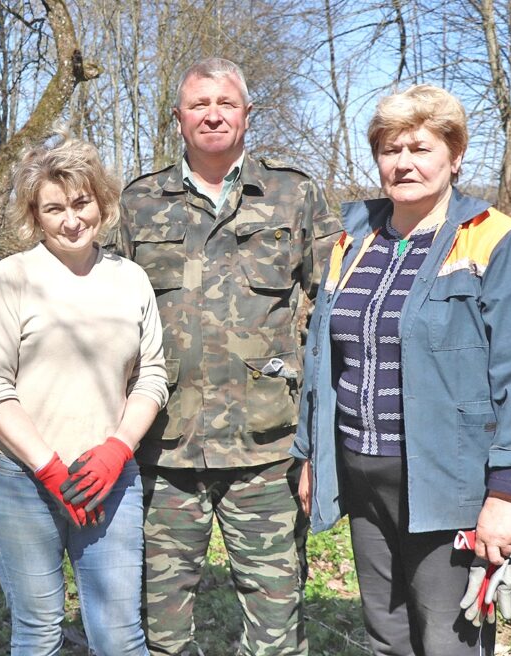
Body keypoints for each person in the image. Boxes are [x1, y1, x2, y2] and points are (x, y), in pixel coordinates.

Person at [292, 84, 511, 655]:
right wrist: (312, 453)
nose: (403, 163)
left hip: (448, 485)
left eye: (420, 148)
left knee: (448, 641)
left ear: (455, 156)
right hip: (364, 476)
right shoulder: (353, 241)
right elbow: (322, 357)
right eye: (391, 150)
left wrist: (506, 496)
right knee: (385, 636)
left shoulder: (495, 242)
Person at [112, 57, 342, 655]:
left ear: (247, 113)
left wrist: (321, 434)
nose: (212, 116)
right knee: (160, 624)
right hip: (163, 446)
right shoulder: (140, 202)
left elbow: (334, 309)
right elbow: (105, 314)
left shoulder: (293, 194)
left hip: (266, 447)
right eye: (199, 105)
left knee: (275, 619)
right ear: (178, 117)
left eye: (226, 104)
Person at [0, 135, 169, 655]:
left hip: (109, 481)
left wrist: (117, 450)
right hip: (20, 480)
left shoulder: (130, 280)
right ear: (35, 215)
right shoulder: (11, 279)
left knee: (119, 636)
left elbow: (151, 376)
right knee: (38, 632)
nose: (72, 220)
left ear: (101, 201)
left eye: (81, 203)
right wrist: (49, 468)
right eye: (54, 209)